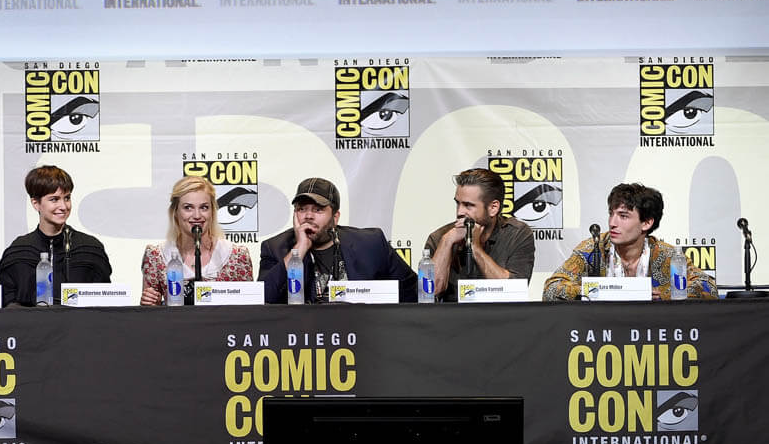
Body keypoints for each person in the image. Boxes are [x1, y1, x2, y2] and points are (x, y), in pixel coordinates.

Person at [543, 182, 717, 301]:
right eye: (611, 214)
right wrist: (603, 292)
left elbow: (708, 287)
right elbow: (551, 289)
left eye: (623, 216)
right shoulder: (593, 249)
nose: (612, 222)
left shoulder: (667, 255)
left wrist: (662, 294)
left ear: (646, 223)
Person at [259, 178, 417, 304]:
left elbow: (412, 291)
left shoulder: (371, 243)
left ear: (335, 217)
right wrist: (299, 249)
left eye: (318, 209)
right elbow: (262, 301)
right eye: (302, 209)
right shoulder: (275, 248)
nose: (308, 216)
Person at [0, 164, 112, 306]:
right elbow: (7, 308)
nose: (63, 206)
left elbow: (104, 306)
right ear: (36, 203)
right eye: (54, 199)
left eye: (67, 198)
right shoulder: (18, 252)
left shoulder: (90, 249)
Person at [424, 168, 535, 301]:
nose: (459, 212)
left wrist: (475, 248)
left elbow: (513, 292)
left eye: (468, 205)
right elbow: (428, 293)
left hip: (500, 314)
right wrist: (447, 242)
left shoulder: (517, 234)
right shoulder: (440, 237)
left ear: (493, 208)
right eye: (458, 203)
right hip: (452, 314)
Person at [140, 176, 254, 305]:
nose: (197, 216)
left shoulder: (237, 256)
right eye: (188, 207)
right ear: (175, 212)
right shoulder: (156, 256)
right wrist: (151, 302)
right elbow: (147, 312)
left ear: (212, 211)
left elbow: (249, 309)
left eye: (204, 207)